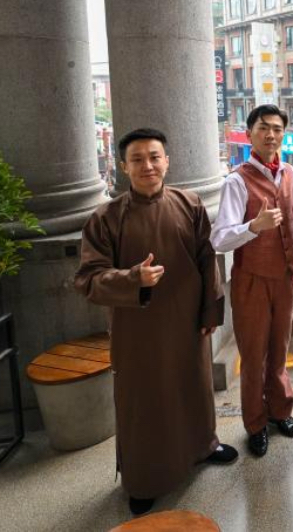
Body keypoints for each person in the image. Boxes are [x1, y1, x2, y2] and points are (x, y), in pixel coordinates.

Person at [74, 128, 237, 517]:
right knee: (143, 402)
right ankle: (143, 478)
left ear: (167, 160)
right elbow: (88, 279)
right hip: (138, 330)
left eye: (155, 156)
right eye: (138, 159)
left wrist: (210, 312)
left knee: (193, 388)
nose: (148, 165)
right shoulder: (106, 218)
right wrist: (134, 280)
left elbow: (206, 260)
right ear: (123, 166)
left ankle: (202, 448)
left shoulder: (190, 202)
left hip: (187, 322)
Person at [211, 104, 293, 458]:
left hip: (284, 278)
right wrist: (254, 226)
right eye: (263, 128)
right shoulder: (237, 180)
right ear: (249, 133)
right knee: (253, 355)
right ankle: (255, 422)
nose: (271, 135)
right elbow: (220, 239)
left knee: (280, 349)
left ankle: (280, 411)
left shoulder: (292, 174)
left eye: (277, 129)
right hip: (250, 279)